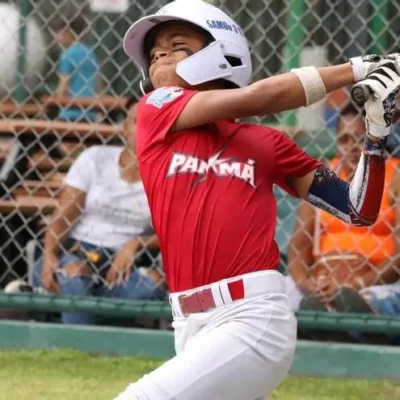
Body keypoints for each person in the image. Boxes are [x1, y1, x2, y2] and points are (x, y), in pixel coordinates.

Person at [115, 1, 400, 399]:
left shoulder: (267, 143)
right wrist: (357, 69)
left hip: (252, 316)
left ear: (220, 54)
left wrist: (374, 138)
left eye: (177, 44)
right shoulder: (155, 111)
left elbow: (357, 209)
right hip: (189, 321)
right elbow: (258, 99)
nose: (159, 52)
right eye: (155, 50)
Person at [33, 101, 166, 325]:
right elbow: (62, 217)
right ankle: (88, 335)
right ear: (124, 129)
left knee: (152, 284)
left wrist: (137, 243)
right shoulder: (95, 158)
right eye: (137, 122)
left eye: (153, 122)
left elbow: (174, 232)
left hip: (123, 264)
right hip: (77, 251)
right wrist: (49, 254)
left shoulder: (167, 173)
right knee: (75, 274)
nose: (145, 128)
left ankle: (72, 307)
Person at [285, 103, 400, 312]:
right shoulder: (323, 177)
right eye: (344, 139)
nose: (352, 147)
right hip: (323, 276)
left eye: (359, 138)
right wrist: (307, 283)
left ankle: (338, 316)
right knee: (278, 292)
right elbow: (299, 243)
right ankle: (326, 310)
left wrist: (358, 283)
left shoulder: (395, 176)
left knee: (376, 300)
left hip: (377, 281)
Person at [55, 18, 99, 122]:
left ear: (68, 33)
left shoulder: (67, 55)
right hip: (90, 112)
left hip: (70, 112)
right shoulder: (90, 53)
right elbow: (98, 84)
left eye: (59, 33)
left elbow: (64, 84)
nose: (57, 37)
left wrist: (57, 99)